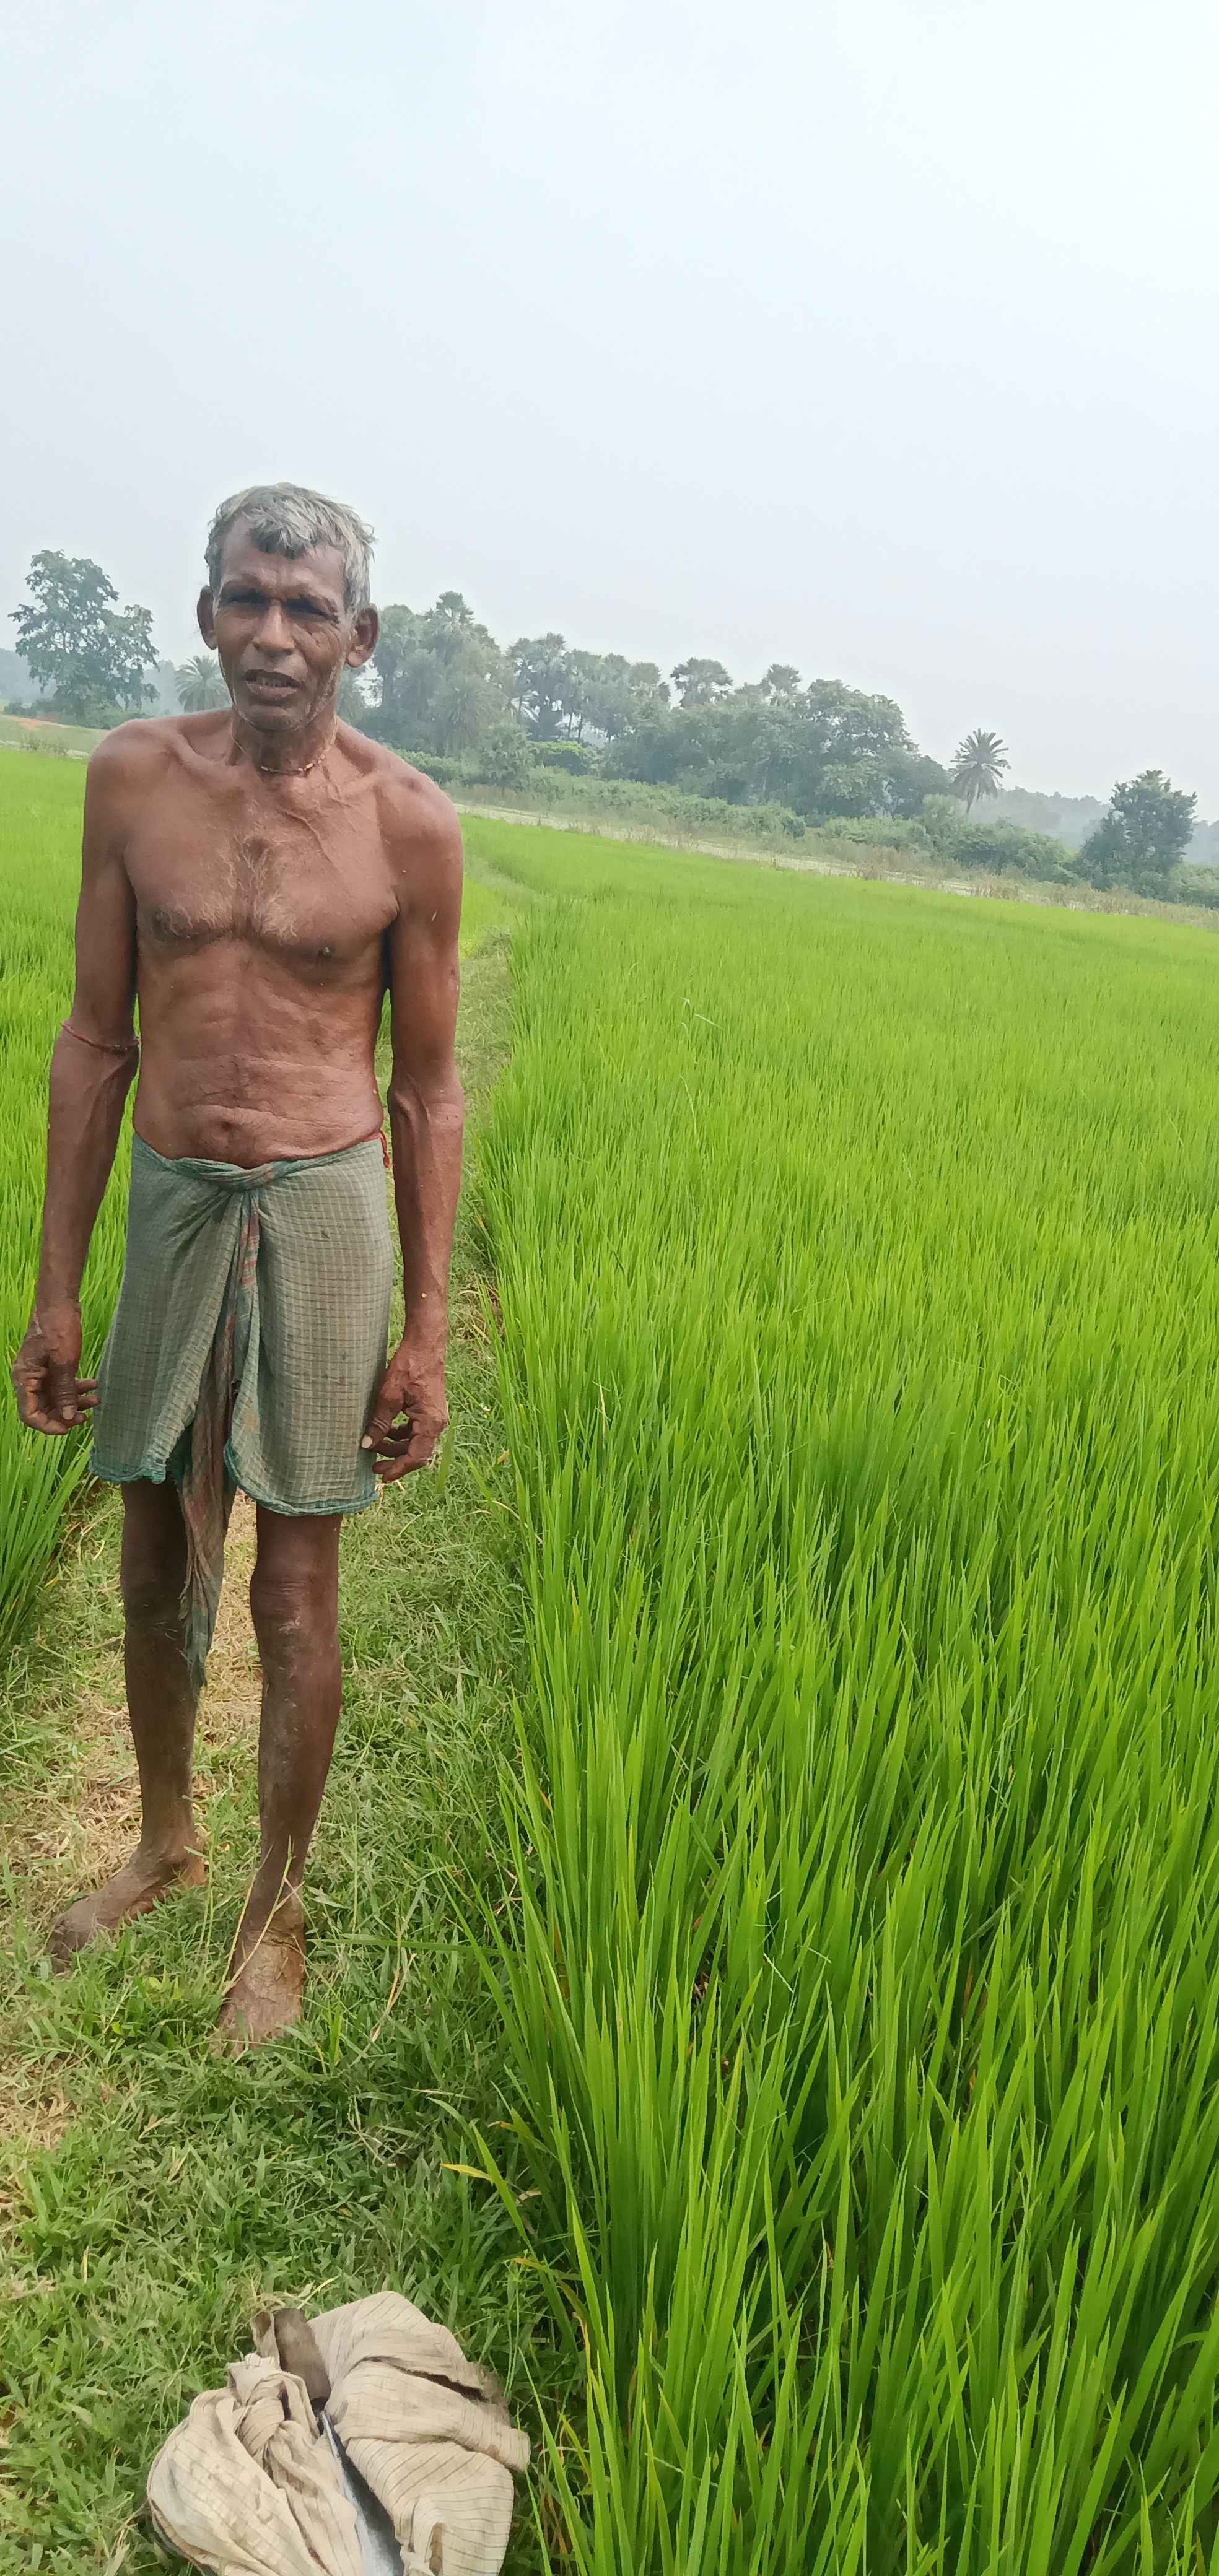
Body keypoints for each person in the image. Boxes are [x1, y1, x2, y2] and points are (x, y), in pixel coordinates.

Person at [11, 483, 465, 2049]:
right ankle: (163, 1839)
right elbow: (94, 1040)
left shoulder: (409, 823)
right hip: (174, 1196)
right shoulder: (134, 779)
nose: (274, 634)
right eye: (247, 600)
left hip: (325, 1204)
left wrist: (428, 1330)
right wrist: (55, 1288)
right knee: (154, 1553)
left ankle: (274, 1916)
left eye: (307, 607)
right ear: (207, 611)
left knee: (293, 1582)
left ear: (360, 634)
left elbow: (426, 1091)